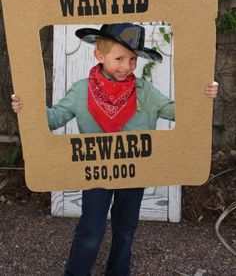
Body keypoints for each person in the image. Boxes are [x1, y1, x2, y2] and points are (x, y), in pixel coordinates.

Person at [12, 23, 218, 276]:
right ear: (99, 56)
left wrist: (203, 95)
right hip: (96, 172)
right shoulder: (80, 90)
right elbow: (53, 119)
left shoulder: (145, 92)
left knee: (126, 226)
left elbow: (180, 112)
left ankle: (118, 271)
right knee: (91, 228)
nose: (127, 66)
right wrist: (28, 105)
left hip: (134, 172)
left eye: (133, 59)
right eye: (119, 58)